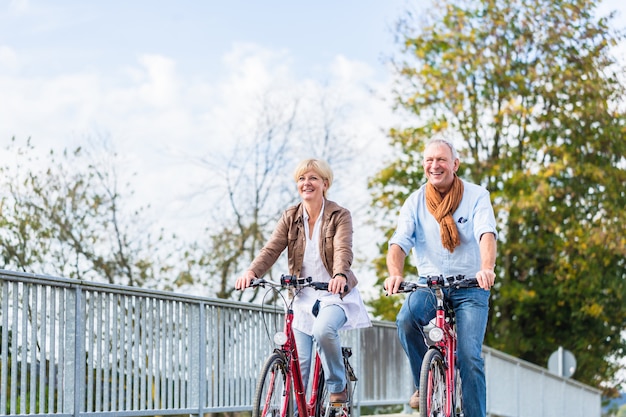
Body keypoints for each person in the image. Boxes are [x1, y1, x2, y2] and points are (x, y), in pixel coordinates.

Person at [235, 158, 371, 403]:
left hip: (334, 294)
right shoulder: (290, 216)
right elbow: (271, 249)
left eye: (313, 178)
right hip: (301, 297)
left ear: (325, 184)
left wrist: (340, 275)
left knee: (323, 331)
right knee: (300, 366)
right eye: (301, 178)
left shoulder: (339, 215)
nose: (306, 183)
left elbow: (343, 249)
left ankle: (337, 384)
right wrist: (252, 272)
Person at [383, 138, 497, 417]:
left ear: (455, 164)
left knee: (469, 357)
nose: (435, 165)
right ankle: (424, 384)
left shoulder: (476, 195)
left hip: (470, 285)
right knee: (405, 319)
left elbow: (486, 233)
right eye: (429, 160)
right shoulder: (415, 201)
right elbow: (399, 243)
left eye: (441, 160)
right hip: (430, 285)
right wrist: (395, 274)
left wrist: (487, 268)